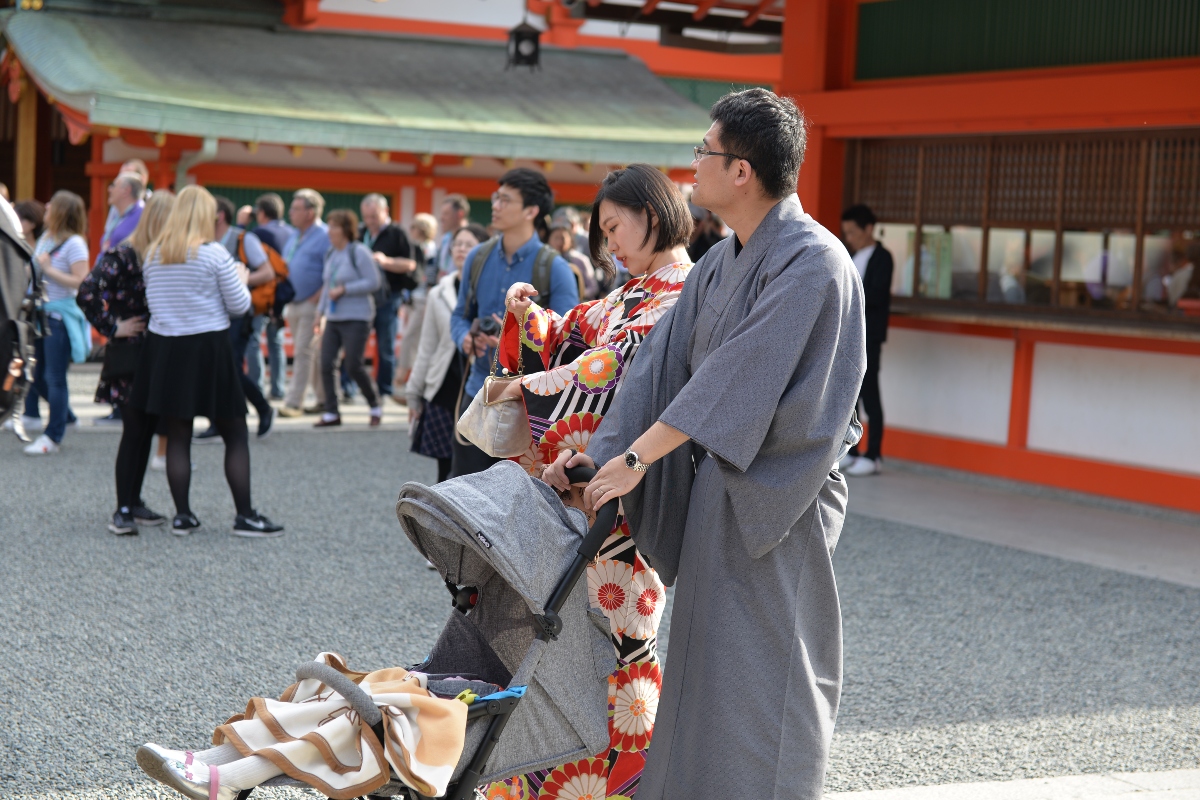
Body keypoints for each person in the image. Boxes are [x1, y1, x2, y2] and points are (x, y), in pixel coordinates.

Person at [546, 89, 865, 800]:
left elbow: (733, 379)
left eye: (704, 152)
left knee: (767, 673)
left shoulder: (814, 261)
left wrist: (637, 460)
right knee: (703, 669)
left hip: (780, 497)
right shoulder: (723, 262)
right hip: (721, 490)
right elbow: (658, 369)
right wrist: (603, 453)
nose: (693, 164)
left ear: (742, 170)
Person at [484, 164, 694, 799]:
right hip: (589, 484)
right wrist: (531, 320)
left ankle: (624, 778)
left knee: (623, 633)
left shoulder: (683, 292)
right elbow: (574, 337)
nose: (609, 244)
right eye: (601, 232)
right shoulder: (629, 292)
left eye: (615, 226)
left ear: (651, 215)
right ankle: (554, 775)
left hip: (632, 486)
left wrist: (527, 386)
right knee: (566, 639)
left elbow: (604, 370)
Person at [129, 185, 283, 537]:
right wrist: (243, 280)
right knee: (235, 433)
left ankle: (183, 516)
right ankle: (245, 515)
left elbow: (154, 304)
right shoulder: (214, 254)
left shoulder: (154, 253)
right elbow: (240, 305)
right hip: (209, 347)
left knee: (179, 434)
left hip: (167, 349)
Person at [449, 168, 579, 477]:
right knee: (464, 493)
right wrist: (466, 338)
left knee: (518, 500)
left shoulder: (555, 267)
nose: (495, 205)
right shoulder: (477, 258)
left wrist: (517, 342)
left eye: (505, 200)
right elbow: (459, 316)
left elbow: (569, 341)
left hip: (529, 405)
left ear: (531, 211)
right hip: (479, 391)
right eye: (496, 198)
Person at [76, 191, 176, 534]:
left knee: (146, 429)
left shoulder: (158, 256)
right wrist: (112, 327)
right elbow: (86, 290)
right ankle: (121, 508)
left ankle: (133, 501)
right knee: (134, 431)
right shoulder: (124, 254)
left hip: (155, 351)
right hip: (131, 352)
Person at [406, 223, 487, 482]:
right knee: (445, 469)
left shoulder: (492, 289)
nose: (461, 249)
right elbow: (427, 346)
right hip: (444, 385)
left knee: (476, 466)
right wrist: (414, 392)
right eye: (457, 244)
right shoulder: (438, 292)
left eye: (468, 244)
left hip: (480, 385)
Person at [192, 196, 277, 443]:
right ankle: (217, 421)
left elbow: (267, 272)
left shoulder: (243, 238)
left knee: (229, 368)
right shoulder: (204, 241)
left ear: (218, 215)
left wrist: (238, 281)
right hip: (211, 317)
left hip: (239, 316)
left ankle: (261, 408)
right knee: (213, 368)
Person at [22, 191, 91, 455]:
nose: (46, 210)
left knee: (54, 377)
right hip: (40, 314)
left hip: (58, 316)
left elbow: (81, 281)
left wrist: (48, 270)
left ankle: (54, 434)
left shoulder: (74, 243)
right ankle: (66, 417)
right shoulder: (46, 238)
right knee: (37, 375)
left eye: (51, 207)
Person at [313, 209, 383, 428]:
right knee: (325, 363)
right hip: (334, 316)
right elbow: (327, 286)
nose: (329, 231)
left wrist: (345, 289)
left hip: (357, 316)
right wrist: (319, 313)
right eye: (329, 225)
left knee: (353, 364)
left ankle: (374, 404)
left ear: (345, 230)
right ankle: (332, 412)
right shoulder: (331, 253)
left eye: (334, 226)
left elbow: (373, 282)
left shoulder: (358, 251)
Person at [840, 203, 893, 476]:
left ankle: (874, 454)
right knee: (853, 396)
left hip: (869, 336)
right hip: (851, 335)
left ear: (868, 229)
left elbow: (876, 295)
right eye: (846, 233)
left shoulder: (882, 257)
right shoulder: (851, 254)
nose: (849, 237)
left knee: (870, 395)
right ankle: (855, 450)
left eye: (853, 232)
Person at [359, 193, 418, 404]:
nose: (370, 221)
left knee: (385, 345)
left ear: (385, 212)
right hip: (363, 296)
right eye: (366, 216)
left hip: (389, 296)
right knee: (355, 343)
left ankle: (384, 390)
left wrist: (385, 261)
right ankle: (351, 389)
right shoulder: (362, 231)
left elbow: (410, 265)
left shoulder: (397, 232)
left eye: (374, 216)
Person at [278, 189, 330, 417]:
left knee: (303, 352)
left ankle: (294, 402)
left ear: (310, 212)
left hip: (313, 303)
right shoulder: (294, 234)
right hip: (294, 301)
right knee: (313, 353)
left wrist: (318, 296)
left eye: (296, 209)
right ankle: (323, 399)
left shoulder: (325, 235)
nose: (291, 212)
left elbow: (332, 270)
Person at [247, 193, 292, 400]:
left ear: (262, 213)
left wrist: (241, 223)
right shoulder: (291, 232)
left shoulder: (259, 233)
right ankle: (278, 388)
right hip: (283, 296)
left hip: (262, 295)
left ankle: (256, 389)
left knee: (254, 341)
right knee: (276, 342)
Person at [548, 222, 598, 299]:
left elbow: (593, 287)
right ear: (548, 240)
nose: (559, 242)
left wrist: (577, 295)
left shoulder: (580, 260)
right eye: (556, 238)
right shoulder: (544, 261)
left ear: (570, 240)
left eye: (563, 238)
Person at [433, 193, 470, 279]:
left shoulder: (473, 239)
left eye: (446, 214)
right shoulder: (446, 238)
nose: (441, 218)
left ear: (460, 214)